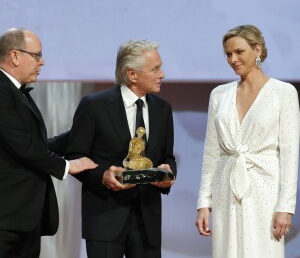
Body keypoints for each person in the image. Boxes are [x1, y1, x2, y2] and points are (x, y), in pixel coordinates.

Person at [195, 24, 300, 258]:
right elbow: (212, 152)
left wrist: (286, 207)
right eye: (228, 54)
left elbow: (290, 155)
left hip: (265, 189)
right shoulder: (219, 95)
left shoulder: (284, 93)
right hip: (225, 187)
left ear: (258, 50)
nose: (233, 59)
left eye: (239, 52)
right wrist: (204, 202)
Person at [67, 39, 177, 258]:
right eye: (155, 69)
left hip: (147, 224)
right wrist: (103, 177)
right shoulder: (94, 105)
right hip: (104, 220)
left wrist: (168, 176)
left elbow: (168, 157)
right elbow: (75, 155)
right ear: (132, 74)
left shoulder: (162, 109)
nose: (162, 74)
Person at [0, 28, 98, 258]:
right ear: (15, 56)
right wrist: (67, 166)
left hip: (22, 219)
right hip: (6, 220)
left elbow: (36, 145)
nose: (42, 62)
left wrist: (82, 133)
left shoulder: (16, 92)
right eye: (36, 56)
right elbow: (24, 146)